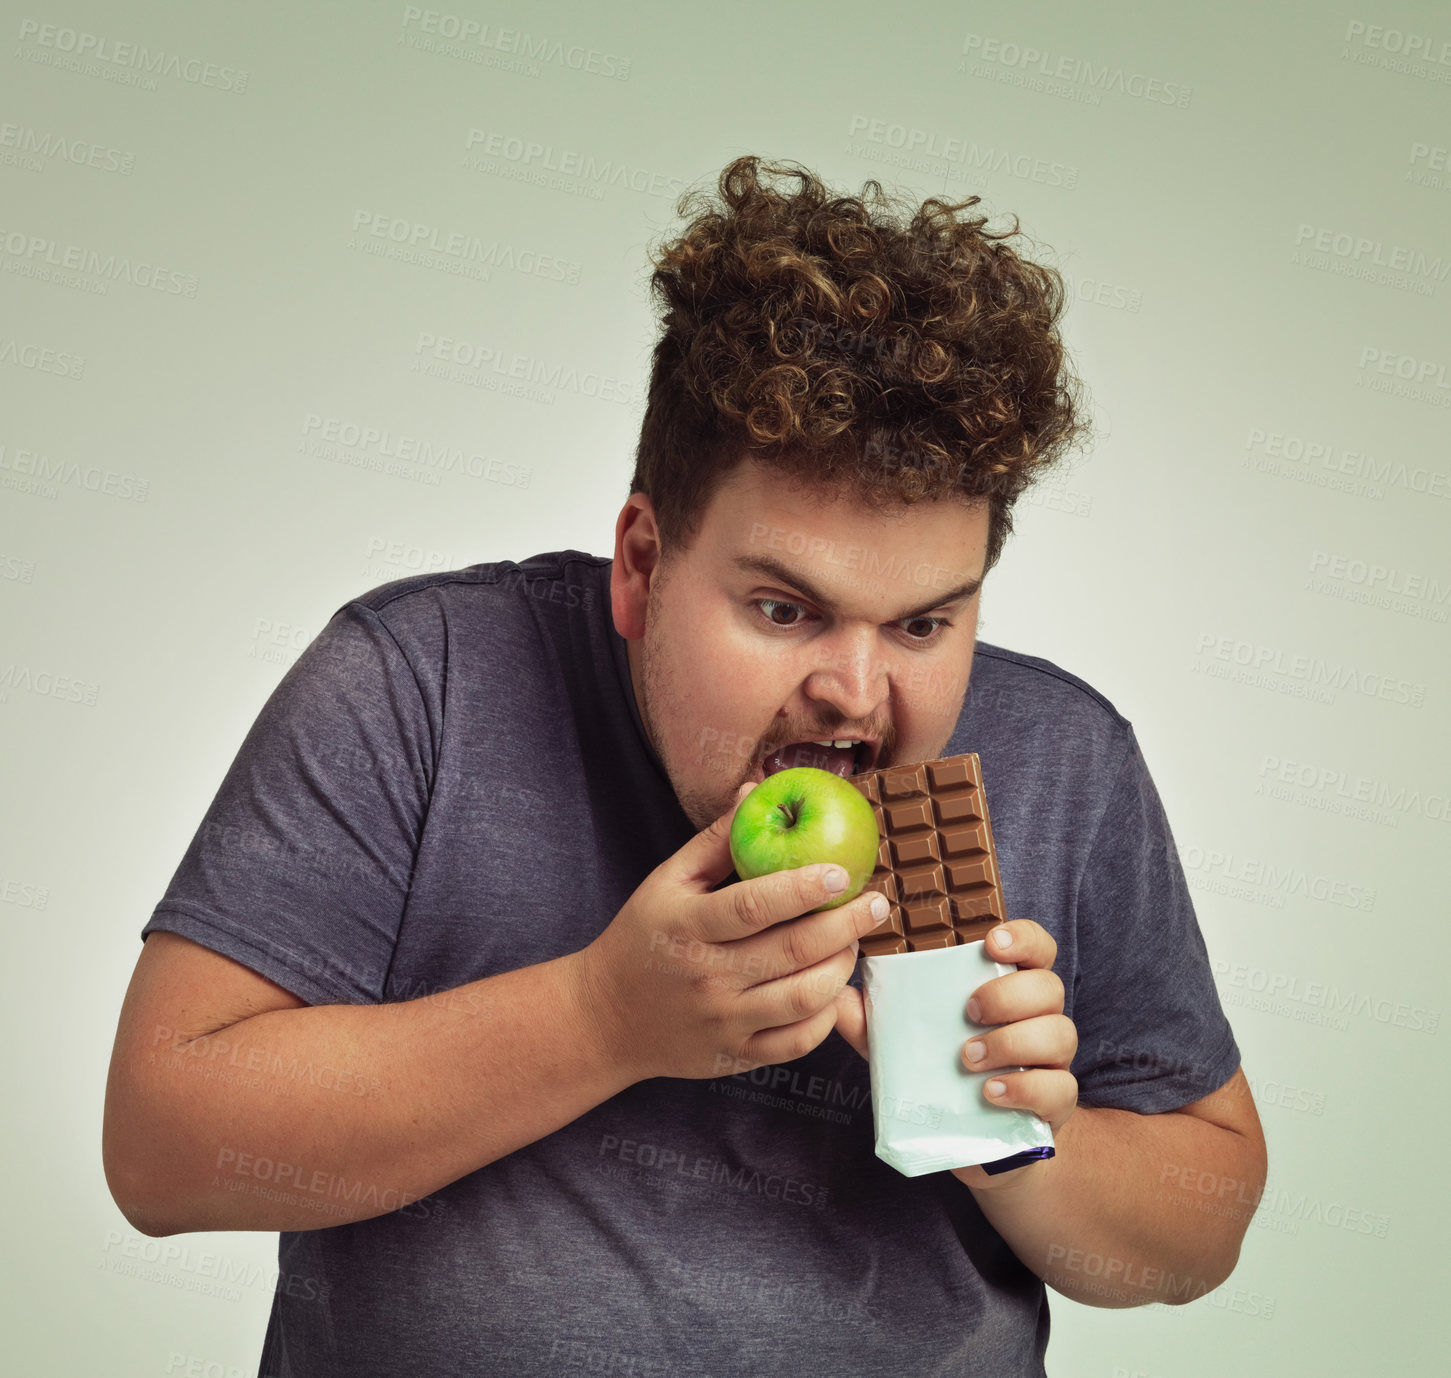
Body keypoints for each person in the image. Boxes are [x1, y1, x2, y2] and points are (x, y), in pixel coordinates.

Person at [103, 155, 1266, 1377]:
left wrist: (1021, 1137)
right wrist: (603, 1018)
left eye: (924, 623)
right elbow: (160, 1146)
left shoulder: (1065, 761)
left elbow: (1202, 1223)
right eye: (782, 609)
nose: (856, 691)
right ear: (643, 561)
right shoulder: (421, 681)